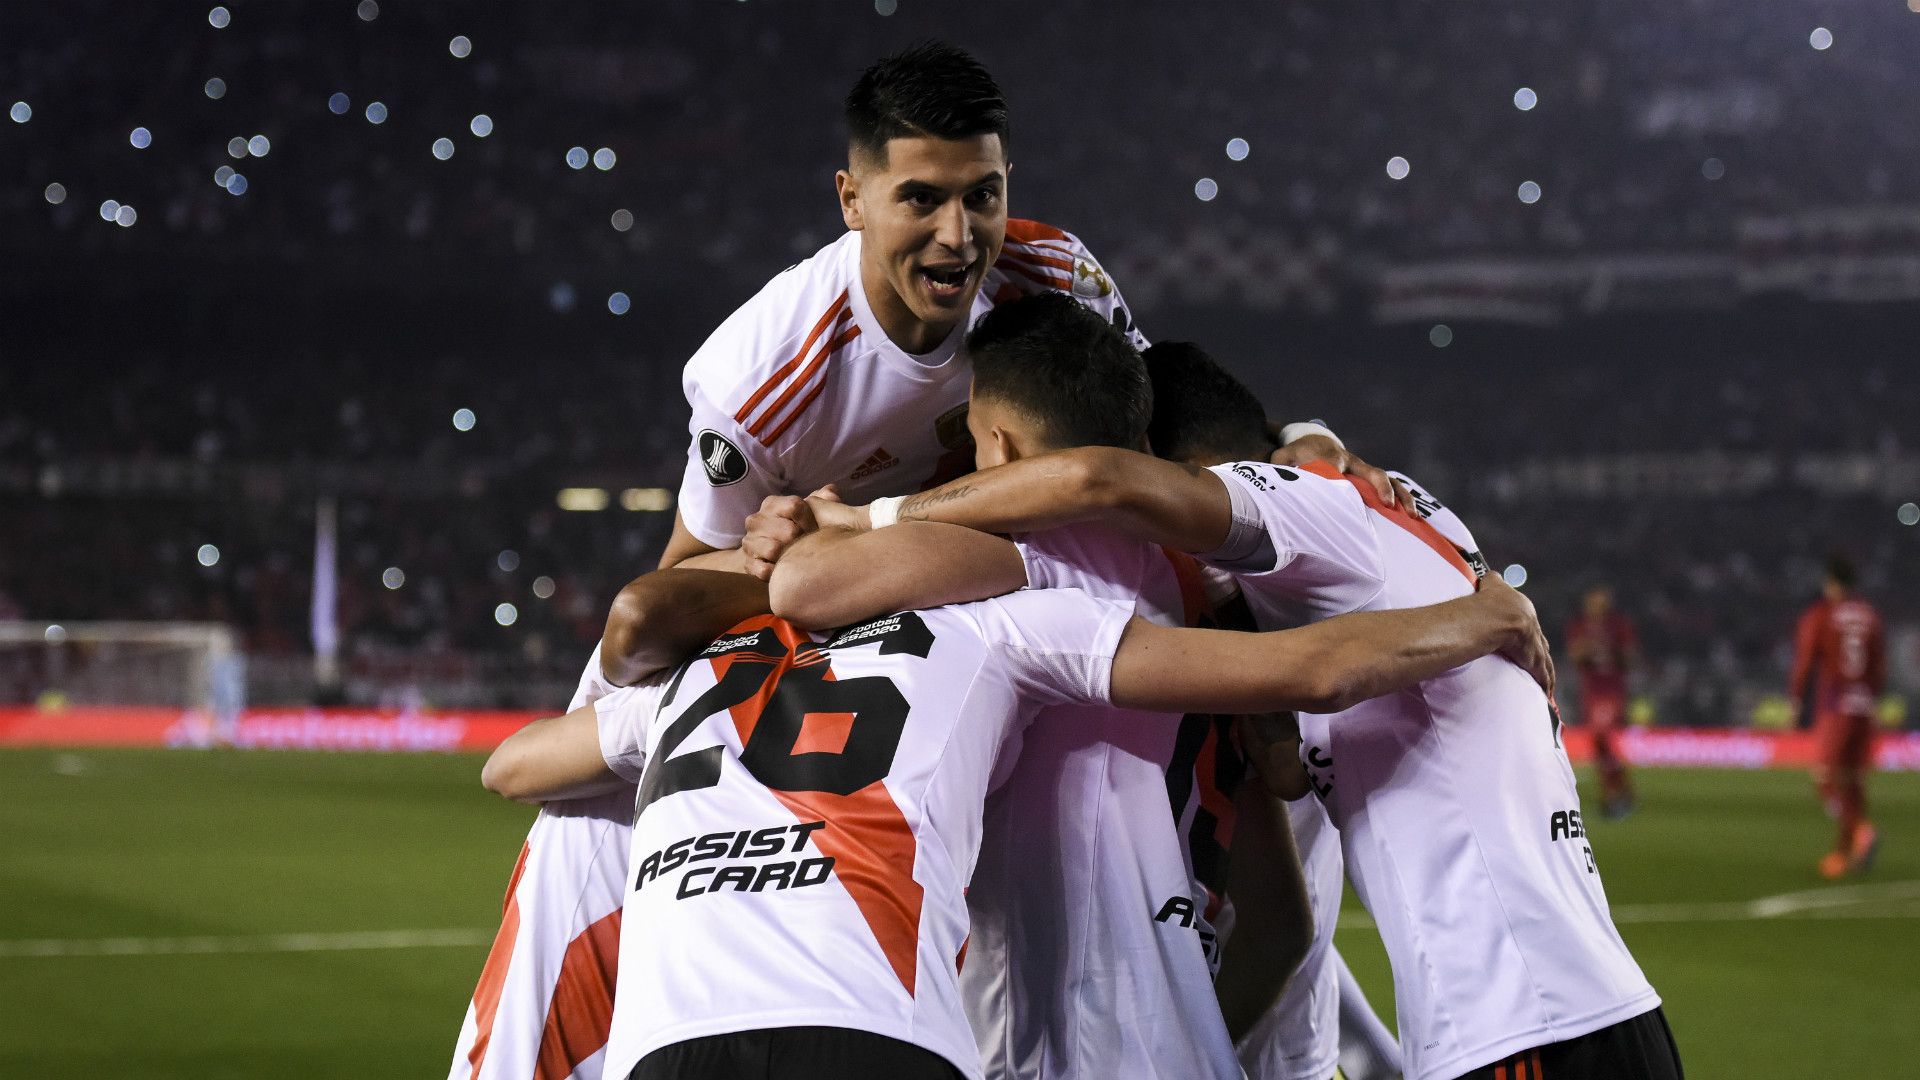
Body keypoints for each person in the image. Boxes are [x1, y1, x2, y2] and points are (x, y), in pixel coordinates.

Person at [451, 42, 1395, 1079]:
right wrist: (784, 560)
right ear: (852, 199)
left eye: (983, 196)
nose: (960, 236)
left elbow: (1135, 437)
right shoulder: (762, 372)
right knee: (577, 861)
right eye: (923, 200)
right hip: (859, 618)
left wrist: (1287, 455)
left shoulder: (1058, 275)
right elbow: (673, 593)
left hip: (979, 599)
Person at [802, 341, 1681, 1080]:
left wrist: (878, 519)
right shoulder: (1392, 518)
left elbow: (1103, 480)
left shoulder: (1311, 513)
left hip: (1520, 1022)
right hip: (1589, 1010)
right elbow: (1294, 777)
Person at [480, 563, 1549, 1080]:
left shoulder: (700, 681)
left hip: (672, 1049)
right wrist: (1483, 611)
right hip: (877, 1042)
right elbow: (1311, 666)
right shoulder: (992, 624)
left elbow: (513, 764)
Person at [745, 296, 1390, 1080]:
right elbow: (1281, 927)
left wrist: (838, 519)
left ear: (1000, 447)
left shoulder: (1036, 563)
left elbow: (806, 585)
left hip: (1057, 1044)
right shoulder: (1215, 602)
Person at [1789, 554, 1886, 879]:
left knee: (1826, 780)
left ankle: (1860, 831)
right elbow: (1879, 667)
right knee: (1853, 782)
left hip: (1836, 706)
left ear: (1830, 582)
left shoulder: (1820, 614)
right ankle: (1844, 853)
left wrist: (1796, 701)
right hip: (1865, 707)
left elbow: (1804, 662)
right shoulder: (1870, 616)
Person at [1566, 586, 1639, 819]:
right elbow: (1575, 655)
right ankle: (1623, 791)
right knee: (1600, 745)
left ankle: (1611, 797)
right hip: (1591, 692)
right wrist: (1589, 649)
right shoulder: (1580, 627)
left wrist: (1610, 650)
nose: (1596, 604)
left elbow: (1629, 656)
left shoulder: (1617, 625)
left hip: (1611, 691)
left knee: (1601, 737)